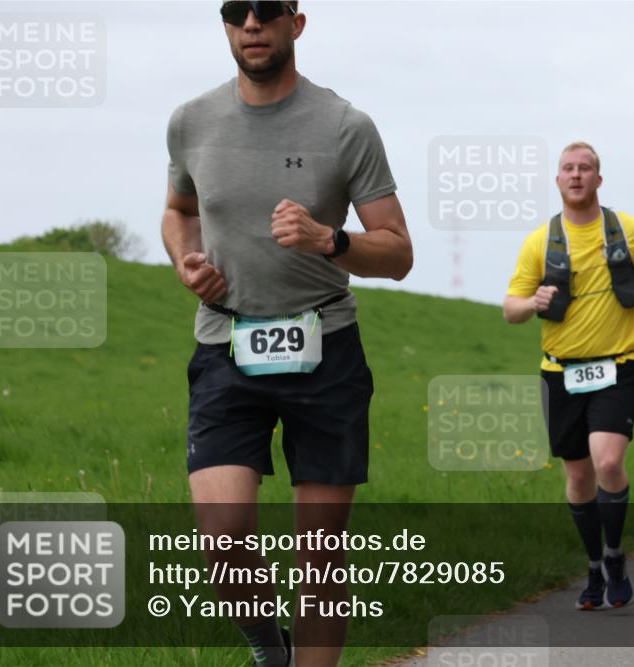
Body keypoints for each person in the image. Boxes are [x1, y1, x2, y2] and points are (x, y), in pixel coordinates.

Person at [162, 2, 413, 665]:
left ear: (294, 24)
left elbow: (398, 252)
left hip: (325, 348)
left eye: (267, 10)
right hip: (225, 345)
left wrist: (331, 239)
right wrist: (186, 260)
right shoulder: (191, 121)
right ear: (225, 25)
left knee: (320, 556)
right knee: (223, 541)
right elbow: (179, 210)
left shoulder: (346, 126)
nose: (251, 23)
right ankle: (272, 653)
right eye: (235, 12)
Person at [503, 142, 634, 610]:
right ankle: (594, 565)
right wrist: (532, 302)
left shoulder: (631, 231)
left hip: (616, 366)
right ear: (557, 180)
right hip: (559, 373)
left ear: (599, 179)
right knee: (578, 475)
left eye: (585, 168)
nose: (576, 175)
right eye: (568, 168)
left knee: (608, 462)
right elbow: (510, 309)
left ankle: (616, 555)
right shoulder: (539, 242)